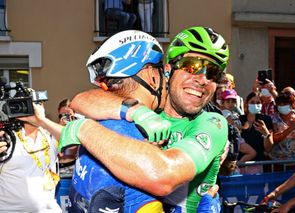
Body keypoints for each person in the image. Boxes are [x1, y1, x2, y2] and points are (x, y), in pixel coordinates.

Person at [57, 26, 229, 212]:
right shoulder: (148, 107)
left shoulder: (212, 123)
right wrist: (136, 111)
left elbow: (164, 176)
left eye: (213, 73)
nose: (202, 79)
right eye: (192, 65)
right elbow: (81, 100)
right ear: (168, 70)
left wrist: (85, 130)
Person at [0, 103, 62, 213]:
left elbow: (74, 139)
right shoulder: (6, 138)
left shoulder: (50, 134)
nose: (32, 107)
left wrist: (42, 121)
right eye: (27, 103)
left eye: (36, 103)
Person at [238, 91, 274, 174]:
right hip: (241, 164)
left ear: (262, 104)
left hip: (259, 164)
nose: (255, 105)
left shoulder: (266, 120)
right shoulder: (240, 119)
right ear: (247, 103)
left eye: (258, 102)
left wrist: (266, 133)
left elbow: (268, 148)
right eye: (252, 102)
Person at [269, 92, 295, 161]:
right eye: (280, 104)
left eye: (285, 104)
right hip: (278, 160)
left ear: (291, 105)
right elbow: (275, 139)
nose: (282, 106)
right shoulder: (273, 118)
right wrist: (291, 128)